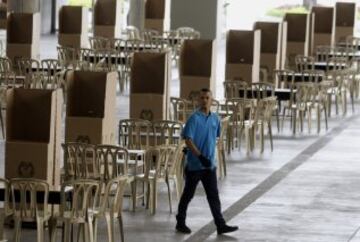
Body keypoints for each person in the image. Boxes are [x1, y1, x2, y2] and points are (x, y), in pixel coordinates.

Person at [175, 88, 238, 235]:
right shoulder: (193, 118)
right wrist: (199, 156)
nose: (204, 100)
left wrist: (209, 158)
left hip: (210, 165)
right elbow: (188, 139)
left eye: (207, 98)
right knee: (188, 194)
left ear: (211, 100)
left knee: (213, 196)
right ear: (198, 100)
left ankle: (220, 225)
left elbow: (214, 138)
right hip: (195, 165)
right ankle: (180, 222)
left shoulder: (215, 119)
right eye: (202, 98)